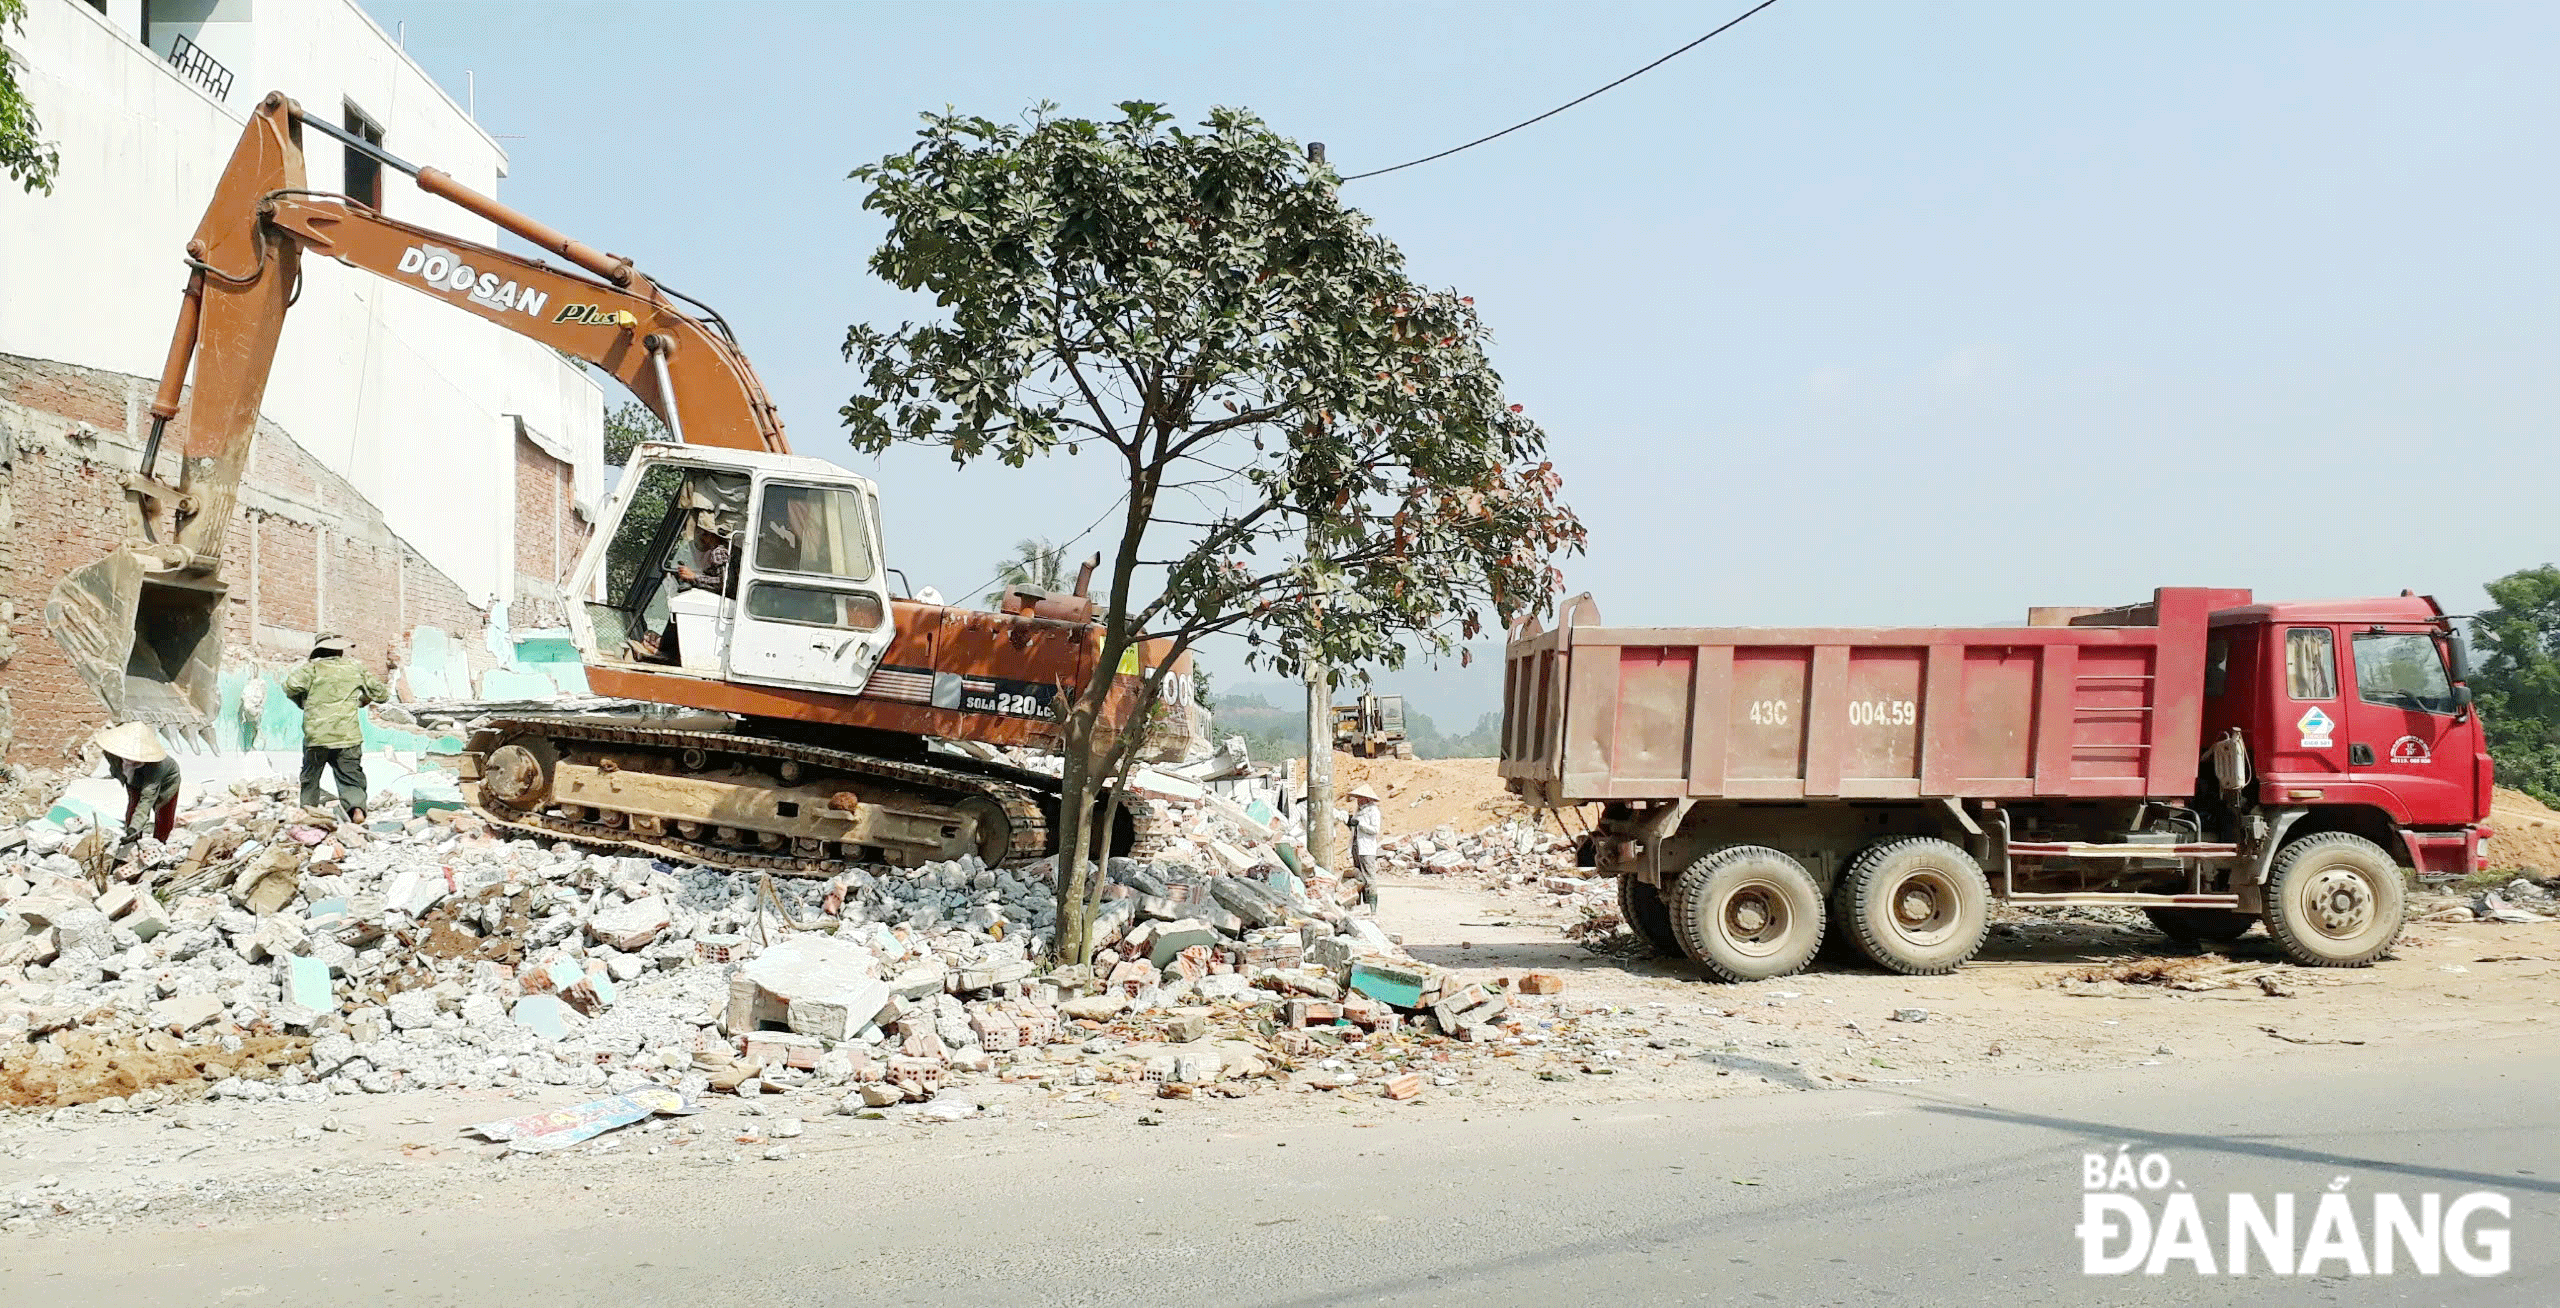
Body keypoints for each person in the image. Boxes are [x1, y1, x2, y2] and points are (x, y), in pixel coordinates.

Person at [284, 632, 390, 823]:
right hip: (347, 736)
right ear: (340, 650)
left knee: (310, 779)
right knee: (351, 777)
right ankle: (356, 809)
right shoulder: (356, 668)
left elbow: (289, 686)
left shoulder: (311, 669)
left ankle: (308, 813)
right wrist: (363, 699)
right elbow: (381, 694)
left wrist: (303, 701)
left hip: (317, 737)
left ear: (319, 651)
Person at [95, 722, 181, 848]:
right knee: (132, 809)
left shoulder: (156, 766)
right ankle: (133, 841)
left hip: (167, 782)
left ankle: (160, 845)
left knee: (164, 816)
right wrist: (131, 832)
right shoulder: (112, 753)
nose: (129, 760)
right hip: (135, 778)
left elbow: (146, 801)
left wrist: (135, 827)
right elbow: (117, 769)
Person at [1346, 783, 1384, 911]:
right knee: (1358, 876)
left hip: (1367, 848)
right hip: (1356, 846)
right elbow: (1354, 828)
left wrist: (1360, 824)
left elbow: (1375, 830)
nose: (1358, 801)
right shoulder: (1359, 812)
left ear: (1367, 799)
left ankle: (1372, 906)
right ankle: (1358, 904)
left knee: (1369, 876)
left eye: (1360, 798)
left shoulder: (1373, 811)